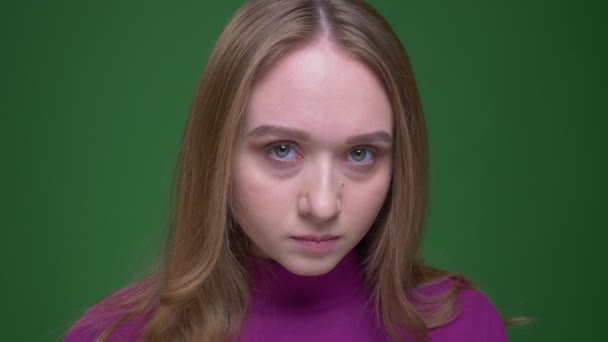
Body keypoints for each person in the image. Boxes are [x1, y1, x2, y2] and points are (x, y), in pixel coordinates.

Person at [65, 0, 508, 341]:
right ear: (218, 152)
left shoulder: (462, 324)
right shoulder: (113, 335)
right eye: (282, 149)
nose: (322, 204)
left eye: (361, 154)